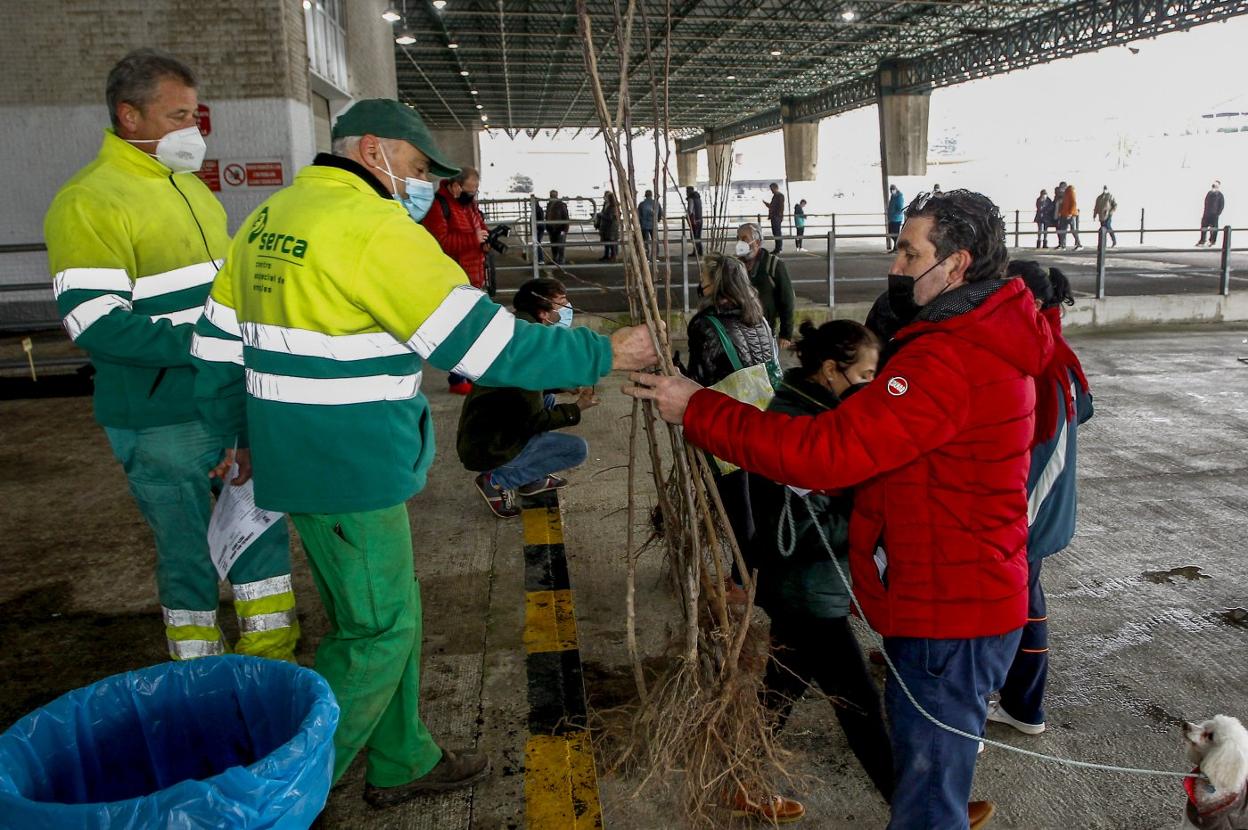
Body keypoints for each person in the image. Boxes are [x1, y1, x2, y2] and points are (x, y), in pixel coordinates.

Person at [191, 98, 659, 808]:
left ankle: (402, 756)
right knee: (377, 633)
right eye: (414, 168)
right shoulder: (372, 229)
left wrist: (239, 435)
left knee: (385, 610)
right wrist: (603, 351)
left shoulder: (271, 218)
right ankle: (276, 801)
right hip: (351, 463)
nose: (423, 188)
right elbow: (481, 344)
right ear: (372, 150)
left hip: (296, 458)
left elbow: (217, 345)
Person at [627, 189, 1054, 830]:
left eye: (911, 253)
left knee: (928, 804)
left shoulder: (950, 356)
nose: (896, 265)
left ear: (958, 265)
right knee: (918, 772)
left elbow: (826, 453)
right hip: (961, 595)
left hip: (951, 611)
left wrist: (696, 407)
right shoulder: (975, 340)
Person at [43, 49, 298, 663]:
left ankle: (274, 663)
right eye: (178, 115)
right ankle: (200, 676)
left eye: (195, 115)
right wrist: (205, 345)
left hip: (222, 400)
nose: (194, 131)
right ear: (129, 117)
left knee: (260, 533)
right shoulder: (89, 201)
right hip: (159, 419)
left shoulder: (191, 190)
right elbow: (96, 322)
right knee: (187, 551)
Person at [748, 319, 895, 805]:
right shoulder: (799, 426)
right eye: (866, 375)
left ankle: (737, 779)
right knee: (858, 702)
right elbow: (800, 530)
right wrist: (870, 513)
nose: (873, 386)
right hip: (805, 587)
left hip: (804, 586)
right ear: (831, 370)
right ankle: (915, 805)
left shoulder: (824, 412)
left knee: (782, 685)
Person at [989, 261, 1092, 739]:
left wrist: (1013, 524)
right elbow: (1085, 408)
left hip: (1028, 512)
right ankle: (1023, 707)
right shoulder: (1056, 350)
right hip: (1045, 510)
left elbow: (1041, 449)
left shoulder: (1040, 359)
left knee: (1007, 612)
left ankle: (985, 717)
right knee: (1027, 607)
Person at [458, 278, 597, 519]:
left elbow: (521, 392)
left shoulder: (517, 331)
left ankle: (531, 478)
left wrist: (559, 385)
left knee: (548, 400)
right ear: (544, 313)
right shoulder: (530, 353)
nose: (567, 309)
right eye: (561, 304)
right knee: (577, 450)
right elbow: (535, 420)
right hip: (490, 445)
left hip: (483, 431)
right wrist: (577, 408)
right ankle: (498, 480)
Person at [684, 254, 778, 551]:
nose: (700, 281)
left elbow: (699, 380)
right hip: (770, 419)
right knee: (765, 501)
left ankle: (743, 578)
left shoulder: (704, 325)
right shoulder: (758, 317)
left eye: (704, 277)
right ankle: (762, 571)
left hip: (731, 424)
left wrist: (673, 370)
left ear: (716, 283)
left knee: (739, 507)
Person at [423, 166, 489, 395]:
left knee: (472, 329)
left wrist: (485, 241)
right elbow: (439, 243)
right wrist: (473, 239)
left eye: (476, 190)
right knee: (459, 330)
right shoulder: (438, 206)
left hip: (473, 276)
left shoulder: (468, 205)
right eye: (470, 189)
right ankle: (458, 377)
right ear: (455, 185)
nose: (473, 194)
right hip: (453, 278)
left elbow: (480, 229)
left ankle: (467, 375)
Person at [736, 222, 796, 349]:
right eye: (738, 239)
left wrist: (786, 333)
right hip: (739, 334)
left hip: (765, 333)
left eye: (744, 239)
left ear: (757, 242)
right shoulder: (735, 266)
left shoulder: (774, 265)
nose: (740, 243)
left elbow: (787, 300)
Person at [1199, 181, 1225, 247]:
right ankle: (1202, 241)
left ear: (1218, 187)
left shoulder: (1220, 195)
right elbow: (1206, 202)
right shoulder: (1209, 193)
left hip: (1214, 215)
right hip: (1206, 214)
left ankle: (1212, 241)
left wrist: (1217, 214)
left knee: (1213, 229)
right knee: (1204, 227)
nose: (1214, 187)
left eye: (1216, 186)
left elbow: (1221, 205)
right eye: (1213, 185)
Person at [1057, 181, 1082, 250]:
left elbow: (1073, 202)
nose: (1060, 189)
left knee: (1073, 229)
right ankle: (1063, 245)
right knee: (1063, 229)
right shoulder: (1064, 194)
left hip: (1070, 214)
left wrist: (1070, 213)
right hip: (1064, 214)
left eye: (1061, 188)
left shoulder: (1070, 191)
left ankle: (1079, 244)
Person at [546, 189, 569, 263]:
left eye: (553, 195)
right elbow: (547, 216)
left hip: (560, 228)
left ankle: (561, 259)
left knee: (560, 244)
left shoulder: (561, 205)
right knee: (553, 244)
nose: (552, 197)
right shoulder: (549, 205)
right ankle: (555, 259)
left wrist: (565, 230)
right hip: (551, 228)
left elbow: (566, 217)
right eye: (551, 195)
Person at [597, 191, 620, 261]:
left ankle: (613, 256)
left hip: (611, 227)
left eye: (606, 197)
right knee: (607, 241)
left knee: (611, 242)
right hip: (607, 227)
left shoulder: (613, 207)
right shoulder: (607, 205)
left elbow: (610, 218)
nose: (604, 198)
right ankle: (607, 255)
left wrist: (601, 215)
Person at [638, 189, 662, 256]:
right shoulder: (656, 203)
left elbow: (638, 215)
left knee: (645, 241)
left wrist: (640, 222)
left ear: (645, 195)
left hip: (644, 225)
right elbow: (660, 213)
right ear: (651, 195)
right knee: (655, 240)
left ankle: (646, 254)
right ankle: (655, 255)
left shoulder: (641, 204)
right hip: (653, 224)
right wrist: (658, 220)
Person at [764, 182, 786, 253]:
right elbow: (773, 206)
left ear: (775, 188)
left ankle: (778, 248)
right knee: (776, 232)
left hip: (776, 216)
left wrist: (780, 216)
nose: (771, 191)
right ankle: (778, 248)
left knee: (777, 232)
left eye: (772, 189)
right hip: (775, 216)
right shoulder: (776, 196)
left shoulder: (779, 196)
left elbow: (778, 207)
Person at [686, 185, 704, 256]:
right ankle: (699, 251)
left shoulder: (691, 199)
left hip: (694, 221)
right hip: (699, 219)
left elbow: (690, 211)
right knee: (698, 236)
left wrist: (687, 215)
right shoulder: (698, 198)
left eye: (687, 191)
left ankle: (696, 252)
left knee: (694, 236)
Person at [887, 185, 905, 251]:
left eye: (893, 189)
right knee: (890, 233)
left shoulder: (899, 197)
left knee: (895, 233)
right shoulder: (892, 196)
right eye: (891, 189)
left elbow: (900, 208)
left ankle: (896, 247)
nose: (892, 190)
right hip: (891, 218)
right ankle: (896, 246)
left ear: (896, 189)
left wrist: (896, 213)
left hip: (896, 219)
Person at [531, 193, 546, 264]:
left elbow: (540, 219)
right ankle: (538, 259)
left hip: (538, 228)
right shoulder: (537, 209)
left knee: (537, 243)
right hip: (537, 228)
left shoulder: (538, 209)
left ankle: (541, 259)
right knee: (537, 243)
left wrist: (536, 227)